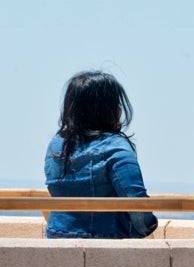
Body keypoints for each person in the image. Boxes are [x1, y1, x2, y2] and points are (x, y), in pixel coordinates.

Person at [44, 71, 157, 239]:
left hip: (56, 238)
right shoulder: (116, 147)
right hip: (107, 244)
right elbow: (140, 212)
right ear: (107, 109)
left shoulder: (56, 144)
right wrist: (150, 225)